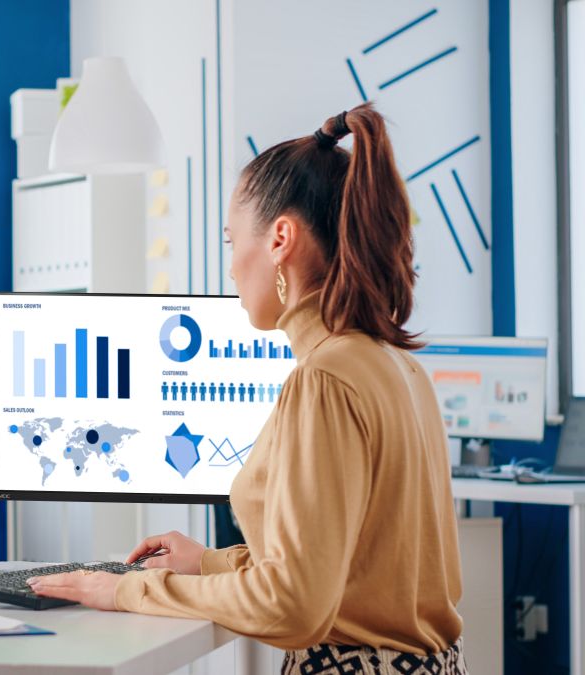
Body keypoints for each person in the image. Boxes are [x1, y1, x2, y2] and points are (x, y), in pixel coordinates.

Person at [28, 103, 467, 674]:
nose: (233, 268)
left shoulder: (324, 380)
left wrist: (126, 591)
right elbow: (352, 568)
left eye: (233, 242)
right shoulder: (391, 363)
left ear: (281, 238)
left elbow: (293, 605)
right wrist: (209, 564)